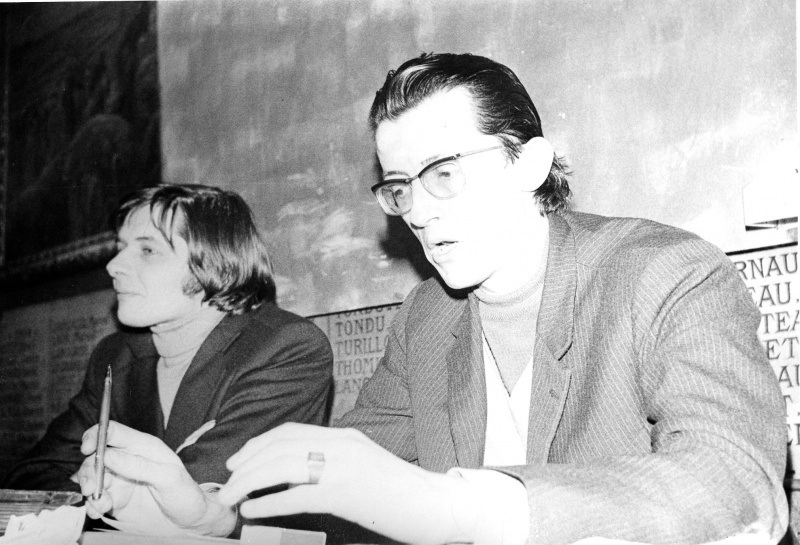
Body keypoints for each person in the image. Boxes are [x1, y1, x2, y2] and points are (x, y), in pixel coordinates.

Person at [77, 54, 788, 544]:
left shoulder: (665, 271)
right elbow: (348, 480)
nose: (417, 210)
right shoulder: (428, 316)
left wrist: (453, 505)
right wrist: (212, 515)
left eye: (443, 173)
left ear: (530, 164)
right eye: (399, 187)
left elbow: (739, 485)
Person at [4, 183, 334, 536]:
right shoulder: (115, 355)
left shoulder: (285, 347)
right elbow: (30, 478)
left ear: (216, 264)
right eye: (121, 248)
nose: (114, 265)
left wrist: (102, 482)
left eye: (148, 250)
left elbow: (197, 498)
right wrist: (100, 490)